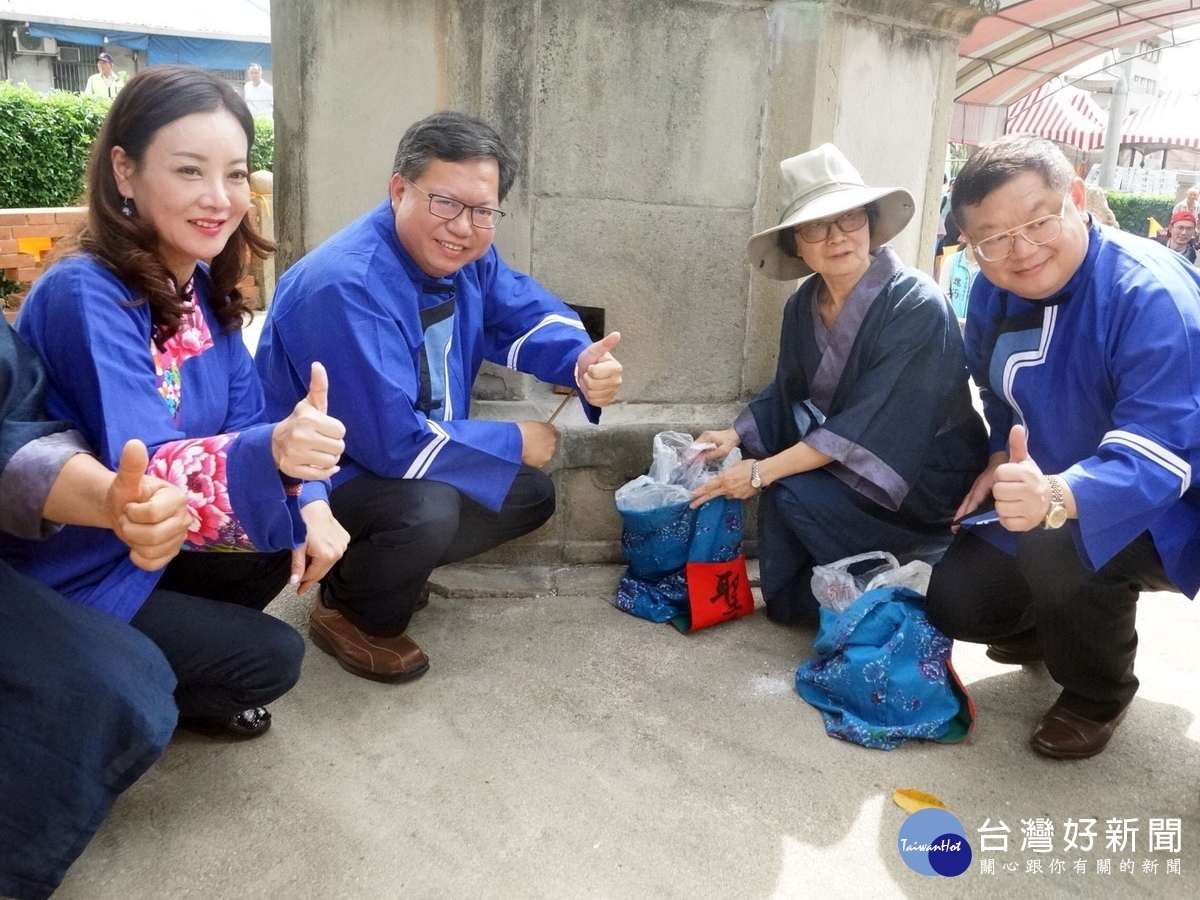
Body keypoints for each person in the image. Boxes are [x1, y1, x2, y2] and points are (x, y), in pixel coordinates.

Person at [0, 64, 350, 739]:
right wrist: (276, 455)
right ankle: (102, 675)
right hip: (76, 566)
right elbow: (142, 466)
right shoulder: (87, 292)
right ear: (124, 171)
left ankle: (158, 664)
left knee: (295, 530)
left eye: (237, 173)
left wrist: (310, 496)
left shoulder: (201, 292)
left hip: (152, 551)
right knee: (272, 657)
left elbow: (251, 420)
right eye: (190, 171)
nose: (219, 197)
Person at [255, 110, 623, 682]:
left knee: (526, 495)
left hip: (396, 455)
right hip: (317, 480)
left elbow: (522, 309)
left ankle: (376, 565)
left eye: (482, 211)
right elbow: (392, 445)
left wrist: (580, 362)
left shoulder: (465, 255)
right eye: (444, 202)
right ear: (399, 188)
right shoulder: (346, 284)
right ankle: (349, 611)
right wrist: (514, 437)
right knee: (429, 508)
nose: (462, 226)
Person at [924, 133, 1200, 760]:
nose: (1020, 250)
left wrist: (1057, 493)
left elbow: (1163, 451)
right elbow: (995, 391)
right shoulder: (996, 287)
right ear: (969, 243)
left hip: (1169, 502)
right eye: (992, 237)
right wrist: (998, 454)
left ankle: (1096, 693)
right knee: (958, 602)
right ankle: (1054, 623)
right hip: (1039, 482)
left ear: (1076, 197)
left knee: (1057, 543)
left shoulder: (1148, 296)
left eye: (1039, 220)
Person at [689, 143, 987, 626]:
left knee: (786, 489)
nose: (837, 237)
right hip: (856, 453)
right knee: (786, 601)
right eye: (815, 227)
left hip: (924, 473)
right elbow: (787, 390)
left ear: (869, 222)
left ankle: (918, 562)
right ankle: (828, 593)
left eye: (849, 218)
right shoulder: (802, 305)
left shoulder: (917, 304)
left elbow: (873, 418)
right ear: (796, 245)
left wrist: (761, 472)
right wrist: (735, 436)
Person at [1, 315, 190, 900]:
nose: (217, 215)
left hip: (107, 554)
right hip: (67, 564)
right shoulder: (85, 296)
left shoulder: (212, 304)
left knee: (142, 680)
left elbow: (15, 436)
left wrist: (116, 502)